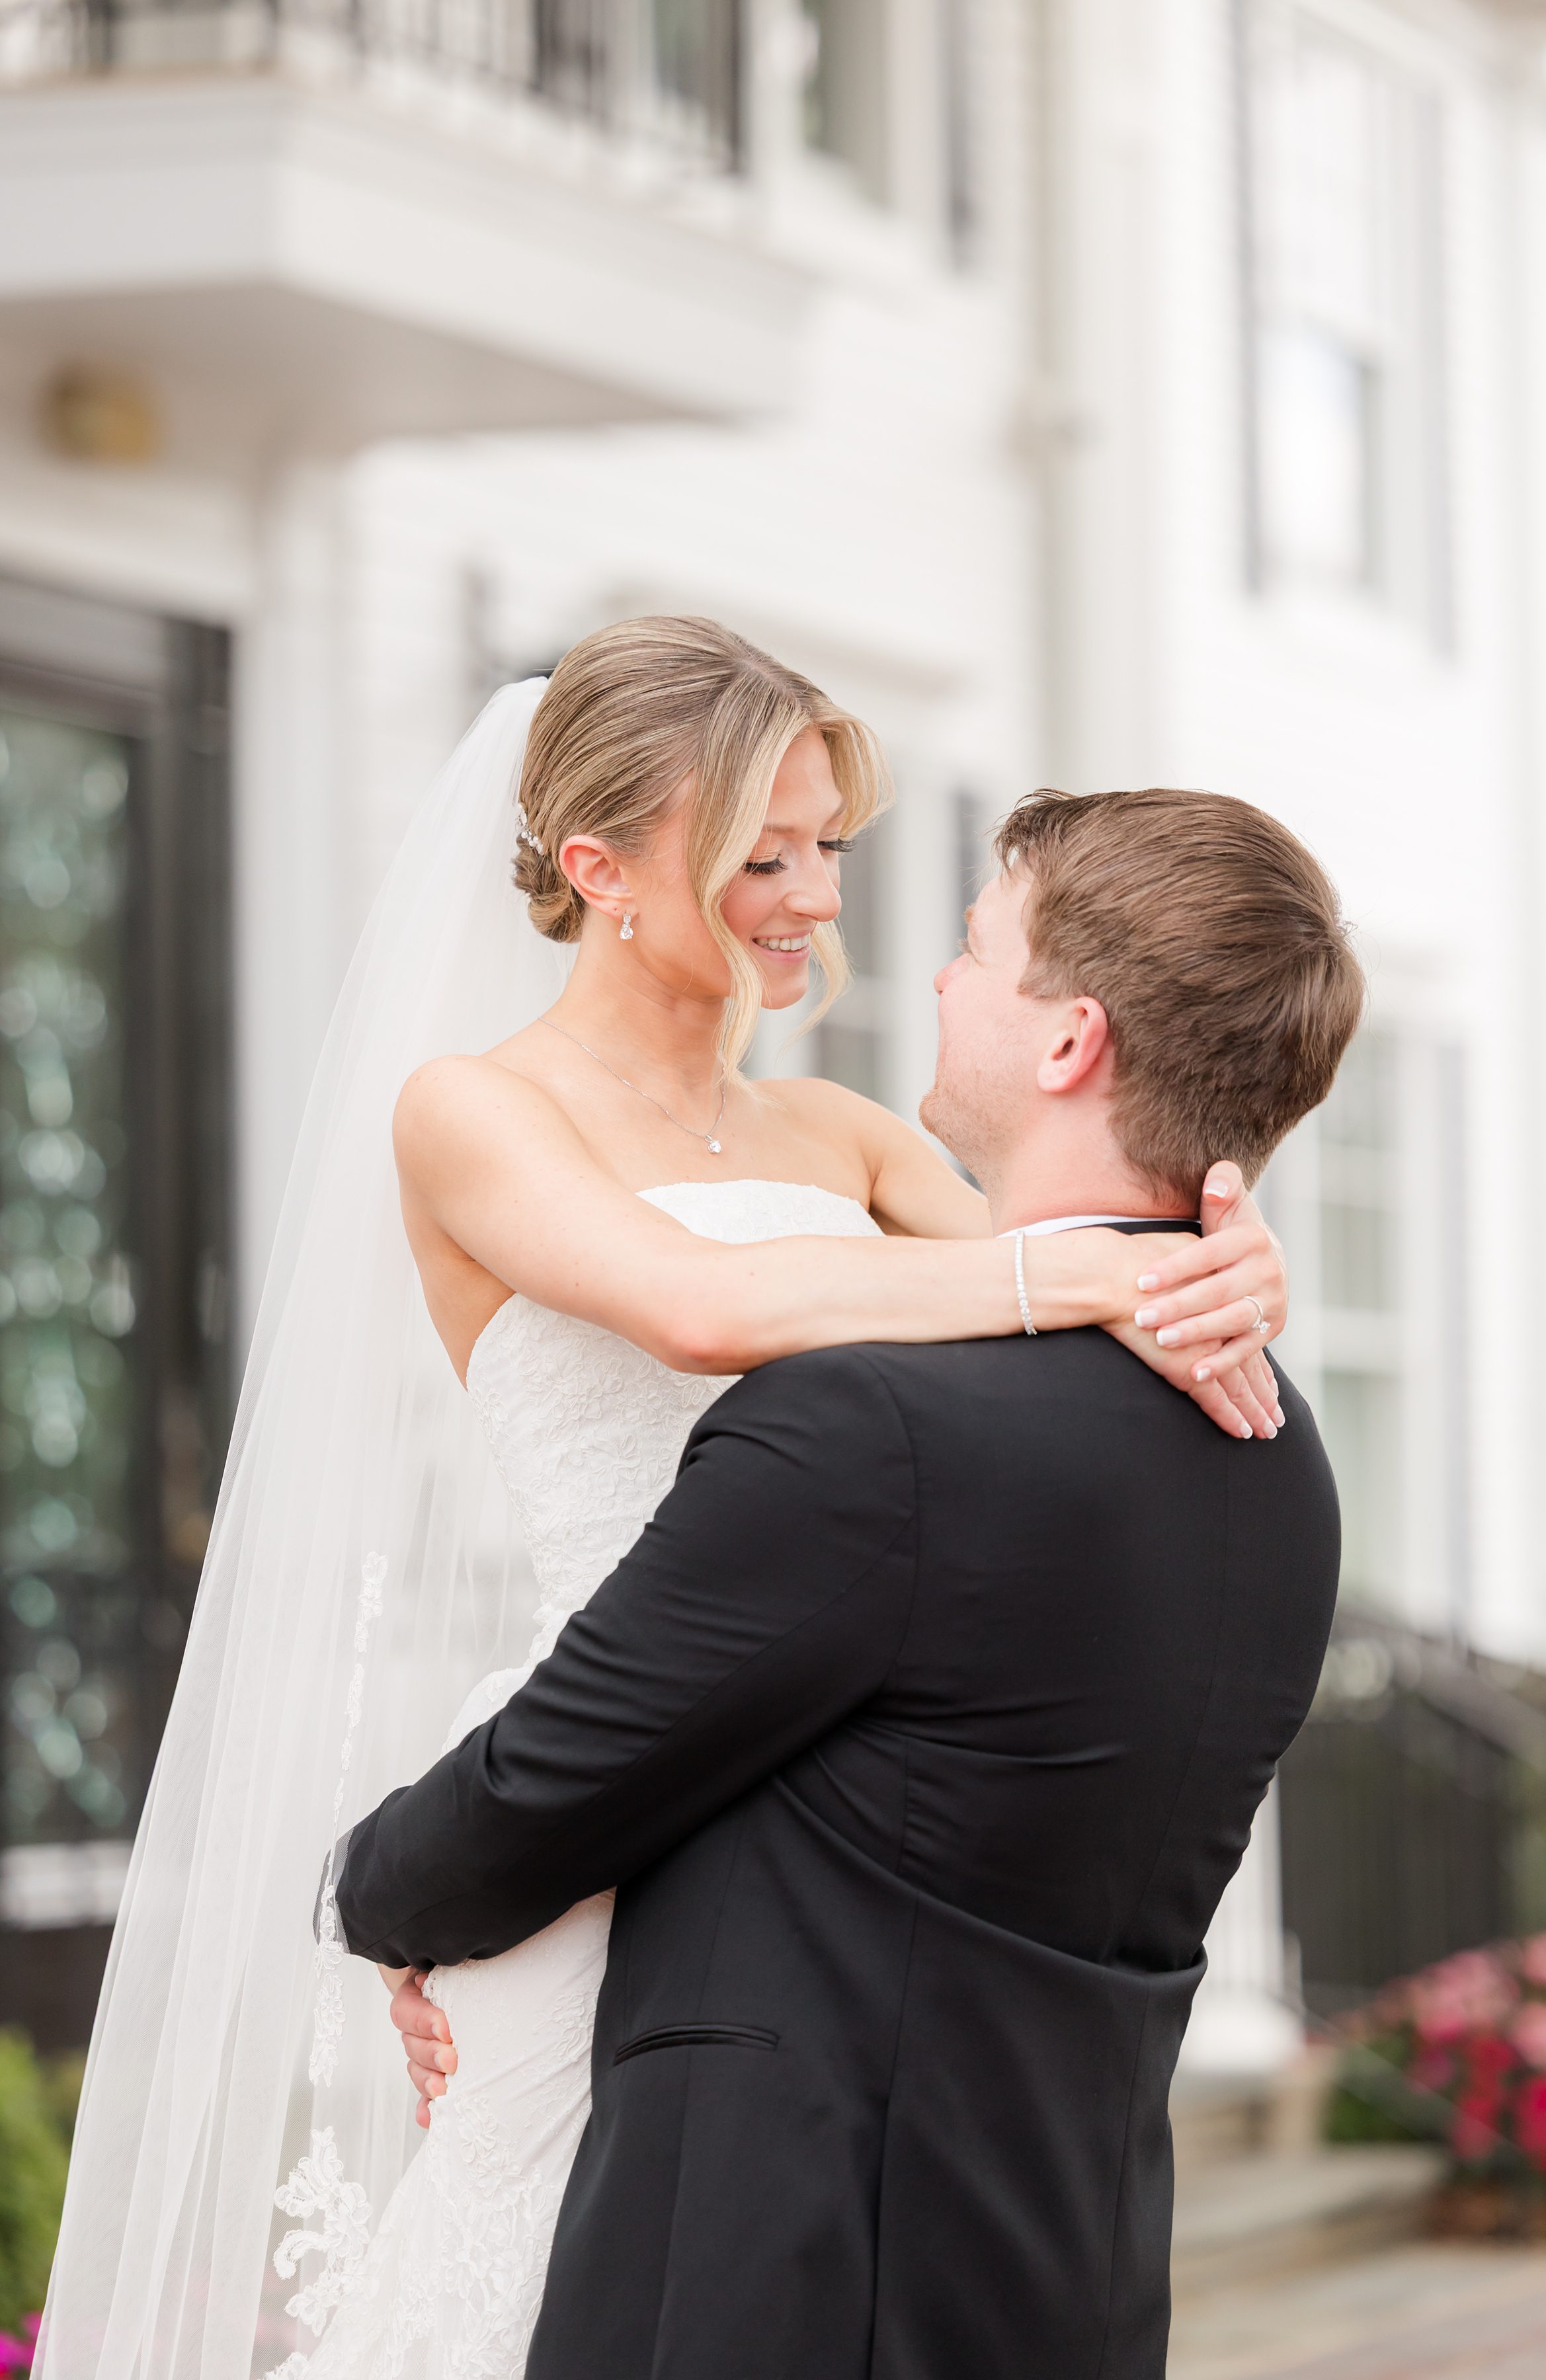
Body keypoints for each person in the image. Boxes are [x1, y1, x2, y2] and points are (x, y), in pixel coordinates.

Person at [38, 622, 1283, 2380]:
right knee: (537, 2268)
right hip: (589, 1775)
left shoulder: (847, 1137)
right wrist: (1066, 1276)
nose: (811, 897)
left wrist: (1228, 1272)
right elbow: (706, 1310)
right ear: (604, 871)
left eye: (825, 844)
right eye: (757, 855)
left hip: (806, 1800)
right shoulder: (473, 1114)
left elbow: (1092, 1341)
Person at [339, 777, 1362, 2379]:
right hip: (1061, 2263)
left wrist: (378, 1889)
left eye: (974, 951)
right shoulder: (1279, 1455)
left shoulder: (865, 1415)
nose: (927, 973)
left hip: (787, 2261)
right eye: (772, 852)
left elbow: (575, 1762)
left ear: (1071, 1042)